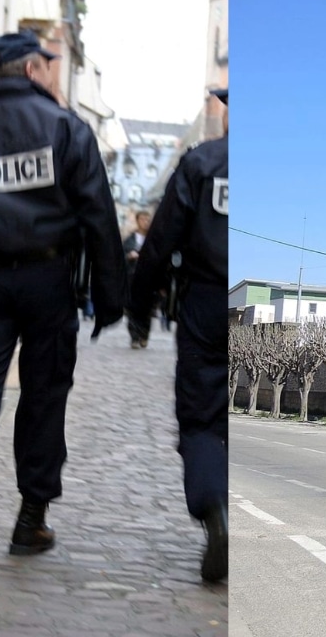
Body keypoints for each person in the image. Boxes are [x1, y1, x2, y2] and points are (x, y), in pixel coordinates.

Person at [0, 30, 126, 572]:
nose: (54, 75)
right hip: (49, 282)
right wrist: (110, 297)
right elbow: (99, 217)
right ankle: (30, 520)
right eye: (49, 66)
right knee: (43, 398)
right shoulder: (66, 129)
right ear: (32, 70)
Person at [127, 86, 229, 582]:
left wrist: (140, 310)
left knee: (202, 417)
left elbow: (161, 240)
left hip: (206, 303)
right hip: (257, 309)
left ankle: (216, 511)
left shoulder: (201, 164)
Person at [124, 210, 152, 348]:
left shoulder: (153, 239)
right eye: (143, 219)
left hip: (148, 279)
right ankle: (134, 337)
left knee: (146, 309)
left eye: (147, 219)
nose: (145, 222)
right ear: (137, 220)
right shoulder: (130, 239)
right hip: (132, 278)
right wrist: (129, 256)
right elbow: (121, 255)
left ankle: (144, 335)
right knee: (132, 308)